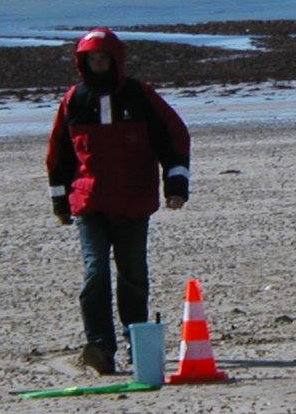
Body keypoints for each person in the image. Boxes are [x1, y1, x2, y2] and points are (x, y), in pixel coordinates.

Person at [46, 28, 190, 376]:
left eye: (102, 58)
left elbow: (172, 136)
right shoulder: (74, 100)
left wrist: (176, 184)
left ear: (115, 60)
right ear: (83, 63)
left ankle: (136, 342)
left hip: (133, 204)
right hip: (89, 204)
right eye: (90, 59)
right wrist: (60, 202)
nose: (97, 64)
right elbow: (59, 154)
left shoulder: (139, 96)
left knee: (133, 275)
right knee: (95, 274)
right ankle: (99, 347)